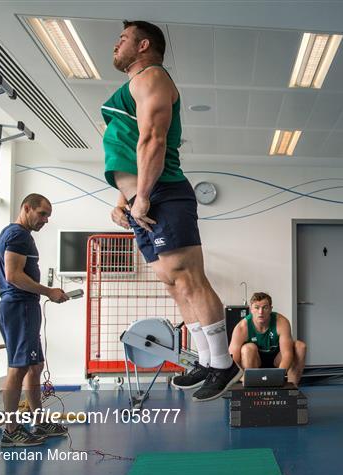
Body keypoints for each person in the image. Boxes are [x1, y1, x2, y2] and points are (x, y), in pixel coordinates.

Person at [102, 20, 242, 401]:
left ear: (144, 45)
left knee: (188, 276)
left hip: (162, 192)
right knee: (170, 280)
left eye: (123, 39)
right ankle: (207, 359)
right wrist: (123, 199)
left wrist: (143, 194)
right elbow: (130, 148)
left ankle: (224, 364)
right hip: (140, 198)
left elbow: (153, 138)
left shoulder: (152, 77)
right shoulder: (132, 86)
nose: (116, 45)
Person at [0, 193, 70, 446]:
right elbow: (13, 275)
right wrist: (49, 291)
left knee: (34, 366)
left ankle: (38, 420)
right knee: (19, 367)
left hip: (23, 306)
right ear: (27, 208)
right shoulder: (18, 235)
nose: (45, 220)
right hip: (19, 306)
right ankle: (11, 430)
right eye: (42, 213)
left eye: (48, 216)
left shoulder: (12, 234)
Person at [229, 292, 306, 385]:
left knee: (300, 347)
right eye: (256, 308)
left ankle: (291, 389)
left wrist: (278, 377)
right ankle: (252, 388)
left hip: (276, 360)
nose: (260, 312)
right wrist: (243, 378)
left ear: (270, 309)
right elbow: (233, 360)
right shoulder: (242, 327)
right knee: (247, 348)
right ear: (251, 309)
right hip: (255, 360)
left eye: (265, 307)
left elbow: (287, 355)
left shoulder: (281, 322)